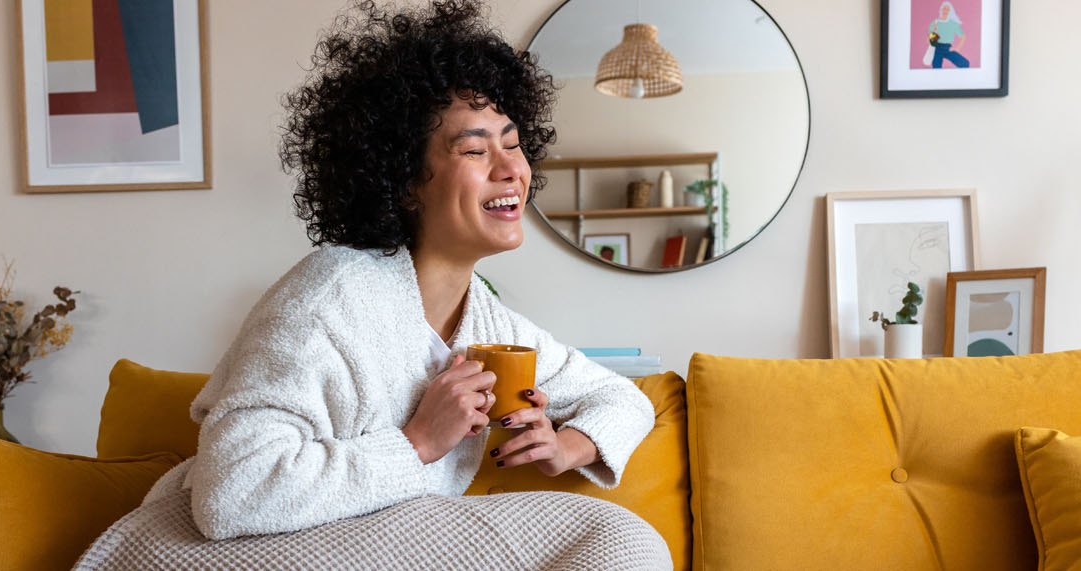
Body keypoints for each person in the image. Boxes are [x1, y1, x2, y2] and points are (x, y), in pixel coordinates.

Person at [73, 1, 669, 569]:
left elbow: (623, 399)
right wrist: (416, 443)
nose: (512, 167)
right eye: (474, 148)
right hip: (208, 555)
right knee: (611, 537)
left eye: (513, 144)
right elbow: (230, 493)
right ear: (405, 181)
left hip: (360, 546)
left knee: (617, 540)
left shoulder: (488, 324)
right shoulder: (331, 295)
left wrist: (568, 448)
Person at [929, 1, 970, 68]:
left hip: (948, 48)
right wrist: (934, 30)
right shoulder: (935, 23)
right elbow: (932, 42)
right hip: (937, 48)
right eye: (944, 8)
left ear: (950, 11)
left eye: (947, 9)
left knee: (965, 63)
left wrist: (957, 49)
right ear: (941, 9)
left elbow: (963, 37)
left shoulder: (953, 24)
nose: (945, 11)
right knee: (936, 68)